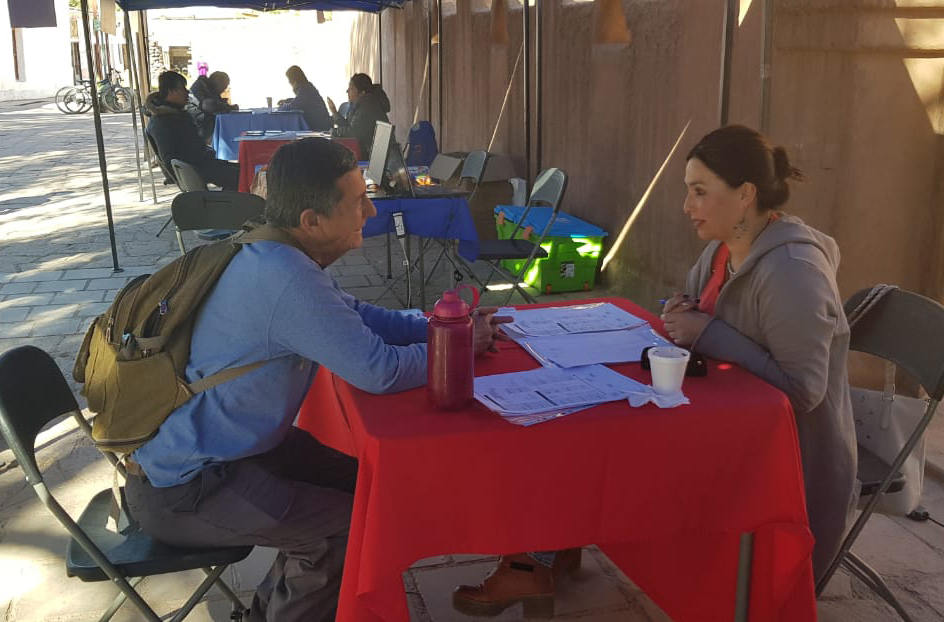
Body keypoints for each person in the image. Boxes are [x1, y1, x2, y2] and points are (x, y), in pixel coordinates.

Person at [123, 137, 510, 622]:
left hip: (240, 453)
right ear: (312, 221)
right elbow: (379, 370)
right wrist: (457, 349)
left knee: (370, 488)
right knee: (341, 530)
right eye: (358, 202)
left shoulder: (277, 253)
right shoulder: (285, 276)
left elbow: (361, 316)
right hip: (187, 487)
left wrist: (445, 327)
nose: (371, 212)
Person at [661, 124, 857, 582]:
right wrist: (680, 312)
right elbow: (701, 313)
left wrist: (707, 333)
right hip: (731, 431)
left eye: (700, 191)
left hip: (789, 467)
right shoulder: (720, 252)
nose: (687, 206)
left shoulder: (793, 272)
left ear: (745, 194)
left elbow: (804, 390)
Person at [146, 71, 239, 191]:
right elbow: (172, 158)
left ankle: (229, 199)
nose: (187, 92)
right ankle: (230, 201)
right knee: (242, 175)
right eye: (182, 89)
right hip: (193, 170)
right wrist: (208, 157)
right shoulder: (163, 121)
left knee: (243, 171)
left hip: (200, 164)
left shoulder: (176, 115)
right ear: (171, 91)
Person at [327, 73, 391, 158]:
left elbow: (354, 134)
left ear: (362, 93)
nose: (347, 91)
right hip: (369, 151)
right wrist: (334, 112)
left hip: (375, 156)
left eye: (351, 88)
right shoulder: (359, 105)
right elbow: (350, 127)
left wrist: (335, 132)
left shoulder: (368, 106)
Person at [187, 70, 238, 143]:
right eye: (223, 87)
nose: (223, 90)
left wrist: (227, 106)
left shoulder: (210, 88)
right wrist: (227, 108)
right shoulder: (201, 86)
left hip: (206, 123)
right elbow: (209, 106)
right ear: (218, 83)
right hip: (198, 126)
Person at [277, 65, 331, 131]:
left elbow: (293, 106)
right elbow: (299, 101)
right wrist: (287, 101)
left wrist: (282, 106)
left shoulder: (305, 90)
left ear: (294, 81)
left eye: (289, 81)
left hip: (320, 128)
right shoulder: (307, 87)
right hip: (321, 126)